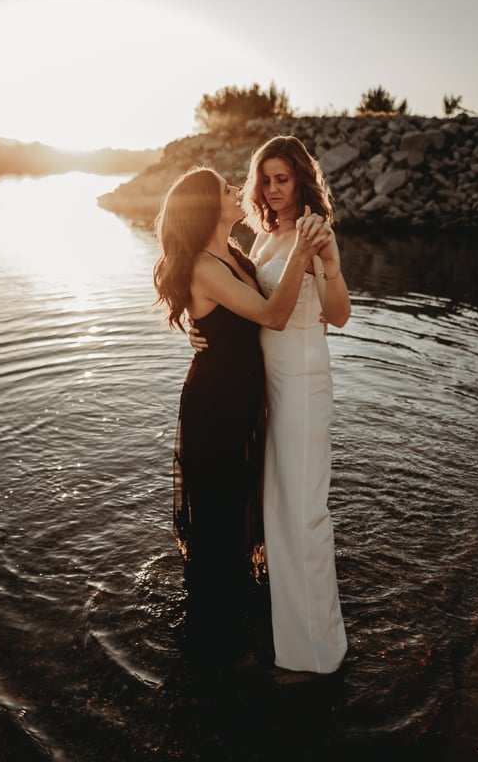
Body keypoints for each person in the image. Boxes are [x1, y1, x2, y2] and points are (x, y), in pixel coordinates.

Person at [189, 135, 350, 676]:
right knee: (275, 508)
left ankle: (318, 654)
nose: (273, 189)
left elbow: (340, 314)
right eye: (266, 179)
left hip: (302, 380)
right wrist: (200, 325)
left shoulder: (314, 232)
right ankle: (285, 636)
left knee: (304, 513)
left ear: (301, 180)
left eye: (284, 179)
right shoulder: (261, 238)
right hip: (266, 387)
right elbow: (238, 301)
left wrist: (323, 259)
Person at [153, 165, 326, 667]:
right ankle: (214, 641)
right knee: (221, 513)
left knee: (239, 506)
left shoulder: (229, 252)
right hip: (216, 408)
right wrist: (300, 253)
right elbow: (271, 315)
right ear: (209, 209)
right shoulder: (205, 267)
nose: (239, 193)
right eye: (227, 191)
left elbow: (249, 313)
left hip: (241, 401)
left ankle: (233, 618)